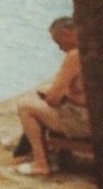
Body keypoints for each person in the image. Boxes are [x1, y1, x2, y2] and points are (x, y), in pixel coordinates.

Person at [15, 17, 88, 176]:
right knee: (39, 93)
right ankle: (27, 142)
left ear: (68, 34)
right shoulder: (95, 45)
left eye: (59, 42)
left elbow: (53, 99)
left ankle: (41, 164)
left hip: (84, 122)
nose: (60, 48)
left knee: (25, 106)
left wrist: (58, 95)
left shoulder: (75, 55)